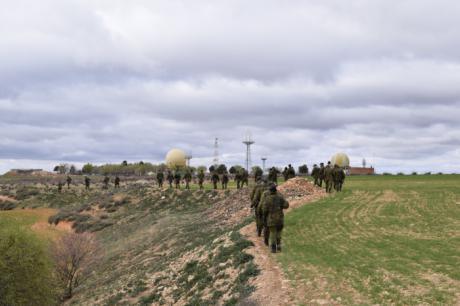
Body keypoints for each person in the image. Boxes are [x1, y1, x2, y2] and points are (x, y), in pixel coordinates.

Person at [262, 183, 289, 253]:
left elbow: (264, 210)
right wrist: (281, 206)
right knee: (279, 232)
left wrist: (264, 218)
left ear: (270, 191)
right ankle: (279, 245)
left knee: (273, 233)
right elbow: (286, 205)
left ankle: (273, 248)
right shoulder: (280, 197)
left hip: (271, 219)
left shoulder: (267, 199)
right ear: (275, 190)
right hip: (280, 218)